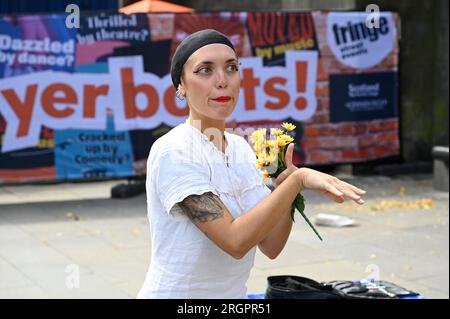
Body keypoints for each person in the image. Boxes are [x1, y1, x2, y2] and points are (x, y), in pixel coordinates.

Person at [137, 29, 366, 299]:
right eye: (205, 70)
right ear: (181, 86)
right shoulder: (174, 151)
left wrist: (283, 186)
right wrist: (297, 181)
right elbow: (235, 242)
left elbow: (271, 245)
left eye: (231, 67)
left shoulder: (240, 149)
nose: (222, 81)